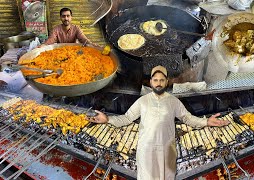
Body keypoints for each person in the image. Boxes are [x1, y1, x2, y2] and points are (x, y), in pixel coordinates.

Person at [92, 65, 230, 180]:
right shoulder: (143, 101)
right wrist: (108, 119)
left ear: (166, 82)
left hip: (167, 149)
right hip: (146, 149)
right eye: (155, 80)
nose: (158, 83)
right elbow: (127, 118)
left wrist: (206, 122)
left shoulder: (173, 101)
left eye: (162, 80)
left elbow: (187, 118)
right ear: (151, 82)